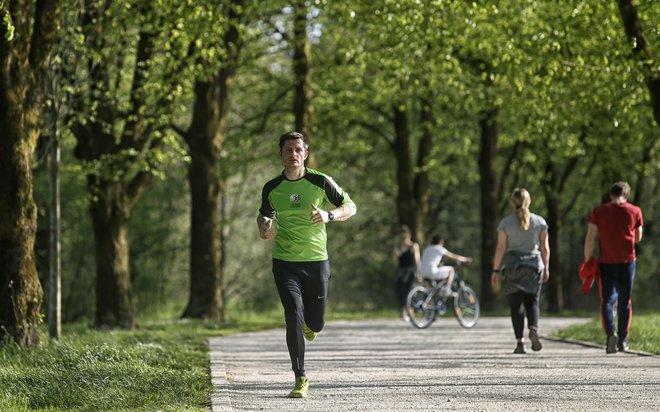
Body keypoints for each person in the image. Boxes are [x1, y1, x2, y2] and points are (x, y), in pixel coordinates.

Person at [257, 131, 357, 398]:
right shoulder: (271, 188)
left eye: (298, 150)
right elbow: (264, 216)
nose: (293, 155)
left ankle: (311, 325)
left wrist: (329, 214)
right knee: (292, 314)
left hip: (315, 261)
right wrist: (264, 229)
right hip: (284, 262)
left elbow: (350, 206)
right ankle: (300, 377)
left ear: (306, 153)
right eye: (288, 150)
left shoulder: (320, 182)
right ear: (281, 154)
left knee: (317, 323)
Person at [583, 181, 643, 354]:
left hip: (606, 262)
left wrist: (588, 261)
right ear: (627, 195)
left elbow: (589, 238)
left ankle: (611, 333)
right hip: (628, 262)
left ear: (611, 195)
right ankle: (623, 341)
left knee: (607, 300)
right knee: (625, 301)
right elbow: (638, 237)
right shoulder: (635, 211)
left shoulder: (599, 211)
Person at [491, 188, 550, 354]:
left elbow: (501, 247)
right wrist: (546, 267)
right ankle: (533, 329)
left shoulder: (505, 223)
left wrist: (495, 270)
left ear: (512, 202)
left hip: (512, 268)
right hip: (533, 268)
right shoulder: (540, 222)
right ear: (529, 201)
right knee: (532, 302)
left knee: (515, 305)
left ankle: (520, 343)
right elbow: (545, 248)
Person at [393, 225, 421, 321]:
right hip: (401, 272)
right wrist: (396, 255)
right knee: (400, 290)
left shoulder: (413, 246)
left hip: (410, 271)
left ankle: (411, 312)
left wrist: (418, 273)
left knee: (410, 291)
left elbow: (417, 260)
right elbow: (396, 262)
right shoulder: (398, 248)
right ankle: (404, 312)